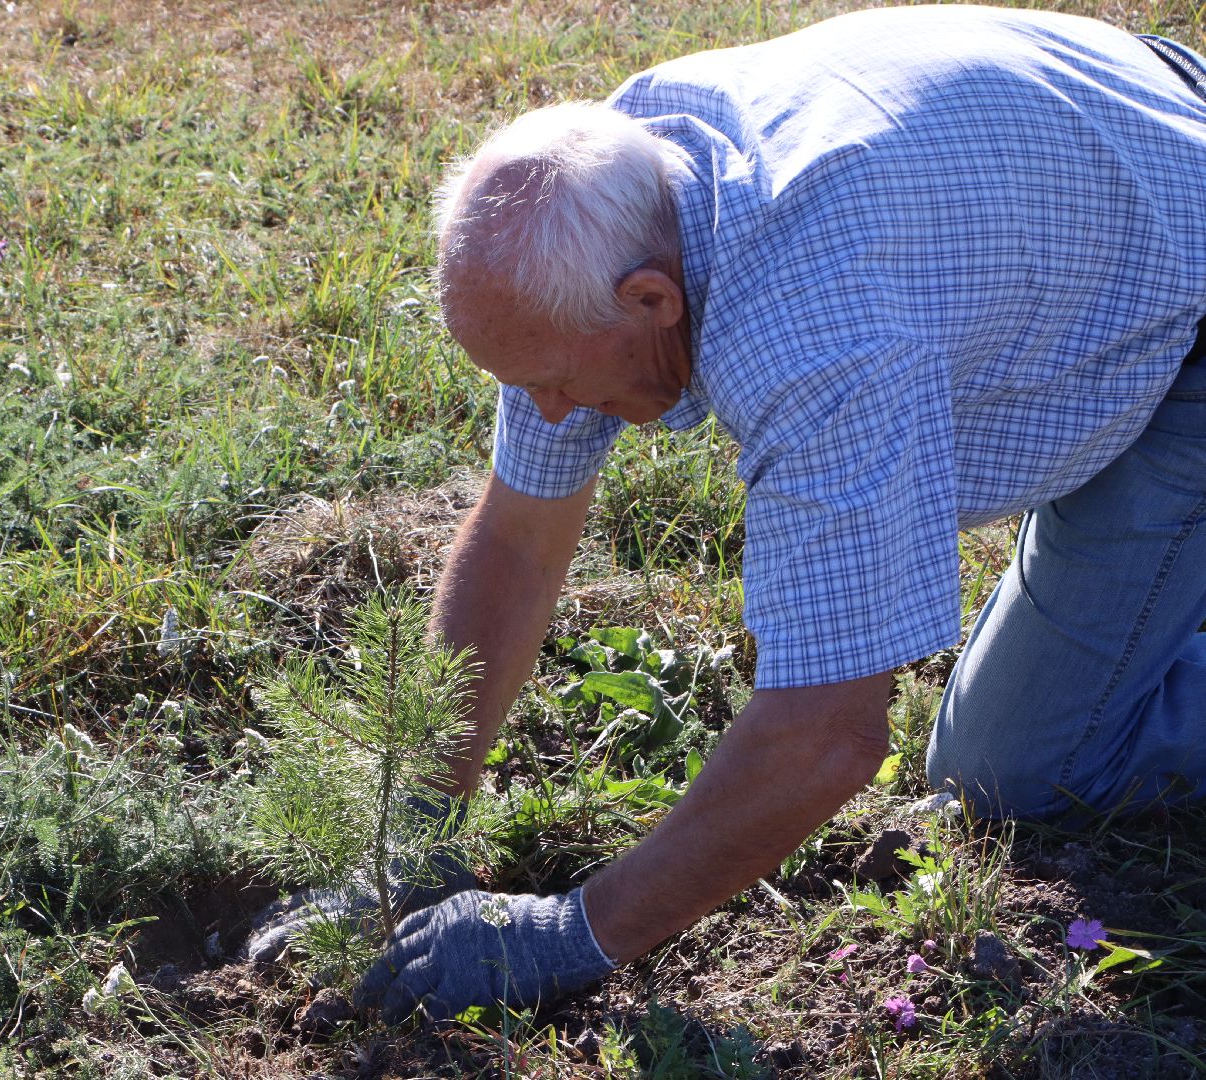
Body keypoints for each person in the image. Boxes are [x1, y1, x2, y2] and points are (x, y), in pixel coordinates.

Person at [257, 4, 1206, 1024]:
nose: (549, 412)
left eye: (554, 383)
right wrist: (415, 823)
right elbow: (519, 543)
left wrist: (571, 932)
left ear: (652, 301)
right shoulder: (607, 198)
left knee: (1017, 770)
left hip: (1180, 271)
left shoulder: (815, 339)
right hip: (1121, 167)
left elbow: (827, 735)